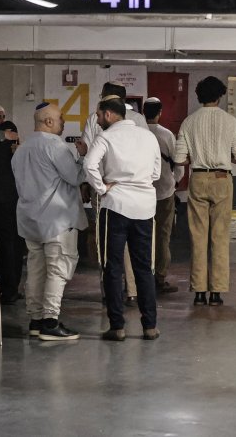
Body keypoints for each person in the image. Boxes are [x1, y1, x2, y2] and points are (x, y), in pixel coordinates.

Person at [83, 97, 162, 341]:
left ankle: (117, 327)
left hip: (116, 206)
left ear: (108, 115)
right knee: (144, 269)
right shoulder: (148, 137)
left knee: (112, 267)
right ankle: (150, 326)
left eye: (97, 115)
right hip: (145, 209)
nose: (96, 120)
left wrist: (102, 188)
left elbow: (89, 164)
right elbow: (156, 172)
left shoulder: (105, 137)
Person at [11, 103, 88, 341]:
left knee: (35, 270)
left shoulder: (21, 149)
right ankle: (50, 322)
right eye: (60, 118)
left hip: (29, 220)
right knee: (58, 270)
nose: (63, 121)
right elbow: (75, 177)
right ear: (48, 122)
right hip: (56, 221)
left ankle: (35, 320)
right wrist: (84, 157)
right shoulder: (54, 145)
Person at [174, 76, 236, 306]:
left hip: (198, 178)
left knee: (198, 236)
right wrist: (225, 156)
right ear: (220, 96)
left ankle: (199, 292)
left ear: (199, 96)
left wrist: (198, 156)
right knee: (220, 236)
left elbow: (179, 159)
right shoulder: (231, 121)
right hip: (222, 179)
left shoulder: (188, 122)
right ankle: (216, 293)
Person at [79, 83, 149, 304]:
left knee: (108, 245)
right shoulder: (138, 120)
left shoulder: (95, 118)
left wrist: (94, 186)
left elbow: (89, 157)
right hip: (138, 192)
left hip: (107, 190)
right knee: (136, 247)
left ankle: (111, 292)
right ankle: (133, 290)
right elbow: (149, 155)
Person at [143, 97, 184, 294]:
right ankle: (160, 276)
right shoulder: (167, 135)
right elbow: (179, 165)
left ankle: (141, 276)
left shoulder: (138, 133)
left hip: (141, 193)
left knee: (141, 236)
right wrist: (173, 181)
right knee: (163, 236)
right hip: (164, 192)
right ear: (160, 113)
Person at [0, 103, 24, 304]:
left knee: (8, 244)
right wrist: (4, 136)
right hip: (11, 197)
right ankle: (10, 287)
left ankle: (9, 288)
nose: (1, 120)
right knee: (9, 244)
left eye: (3, 116)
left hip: (6, 199)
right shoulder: (3, 135)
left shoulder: (5, 130)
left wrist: (2, 134)